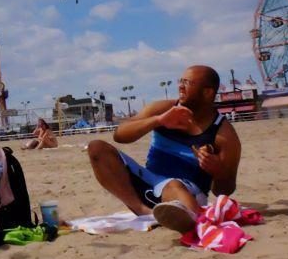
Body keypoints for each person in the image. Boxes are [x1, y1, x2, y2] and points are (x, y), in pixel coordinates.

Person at [86, 65, 242, 233]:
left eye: (188, 82)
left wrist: (217, 171)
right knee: (96, 148)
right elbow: (120, 136)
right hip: (150, 181)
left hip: (187, 192)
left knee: (173, 185)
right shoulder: (164, 109)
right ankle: (142, 210)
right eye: (180, 81)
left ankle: (193, 221)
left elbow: (225, 190)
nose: (180, 86)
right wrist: (158, 120)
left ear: (207, 92)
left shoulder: (224, 135)